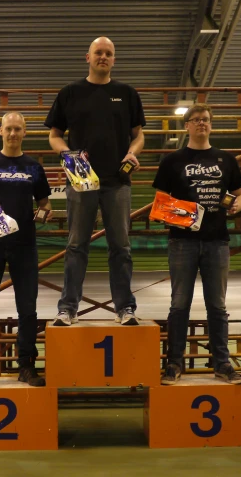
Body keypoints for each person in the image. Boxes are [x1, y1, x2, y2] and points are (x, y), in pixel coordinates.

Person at [45, 36, 146, 327]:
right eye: (98, 53)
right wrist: (68, 155)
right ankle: (68, 308)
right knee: (76, 246)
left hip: (117, 181)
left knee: (121, 247)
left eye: (109, 53)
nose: (103, 57)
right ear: (87, 57)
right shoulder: (70, 93)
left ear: (114, 59)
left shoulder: (126, 93)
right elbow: (54, 135)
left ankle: (125, 308)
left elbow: (138, 135)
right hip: (81, 181)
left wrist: (132, 151)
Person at [152, 104, 241, 385]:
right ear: (187, 127)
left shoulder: (226, 159)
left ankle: (222, 364)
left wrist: (238, 205)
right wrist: (174, 214)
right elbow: (161, 201)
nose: (201, 124)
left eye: (205, 120)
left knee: (217, 306)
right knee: (179, 304)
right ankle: (174, 364)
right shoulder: (172, 161)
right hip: (182, 242)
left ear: (211, 125)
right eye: (196, 120)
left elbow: (240, 194)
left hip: (217, 241)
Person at [0, 111, 52, 389]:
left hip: (24, 246)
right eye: (8, 129)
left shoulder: (34, 167)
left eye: (18, 129)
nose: (13, 133)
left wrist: (44, 213)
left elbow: (45, 204)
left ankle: (26, 365)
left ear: (24, 132)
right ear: (0, 132)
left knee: (27, 309)